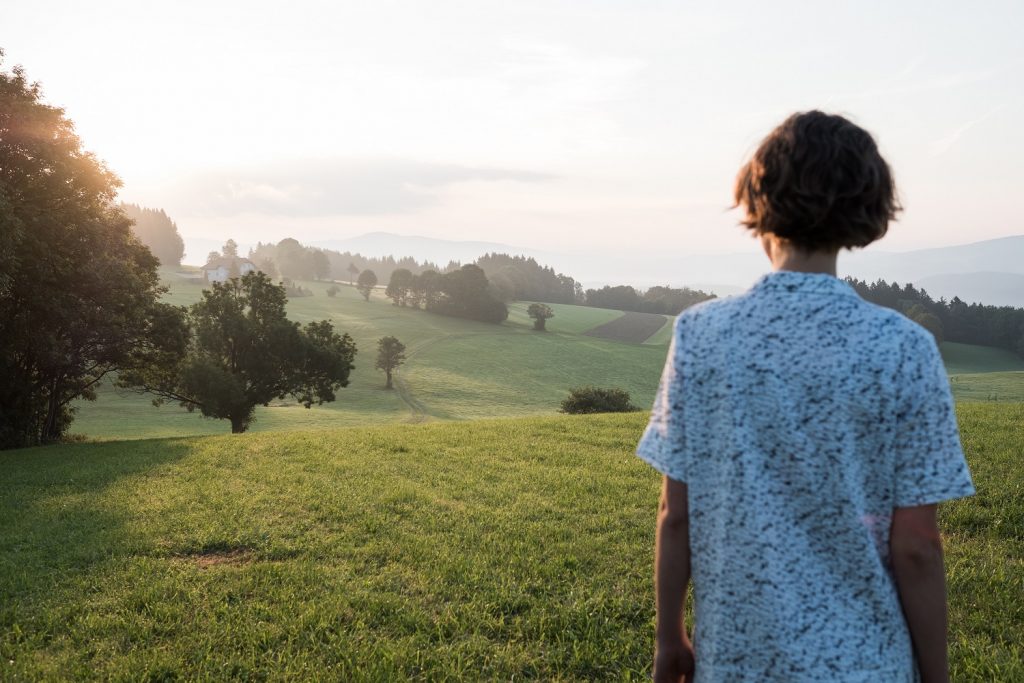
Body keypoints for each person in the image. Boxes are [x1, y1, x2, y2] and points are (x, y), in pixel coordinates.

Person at [637, 111, 975, 683]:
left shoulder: (701, 334)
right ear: (865, 209)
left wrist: (670, 636)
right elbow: (917, 546)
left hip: (737, 664)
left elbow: (676, 517)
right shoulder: (904, 348)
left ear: (757, 199)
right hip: (867, 664)